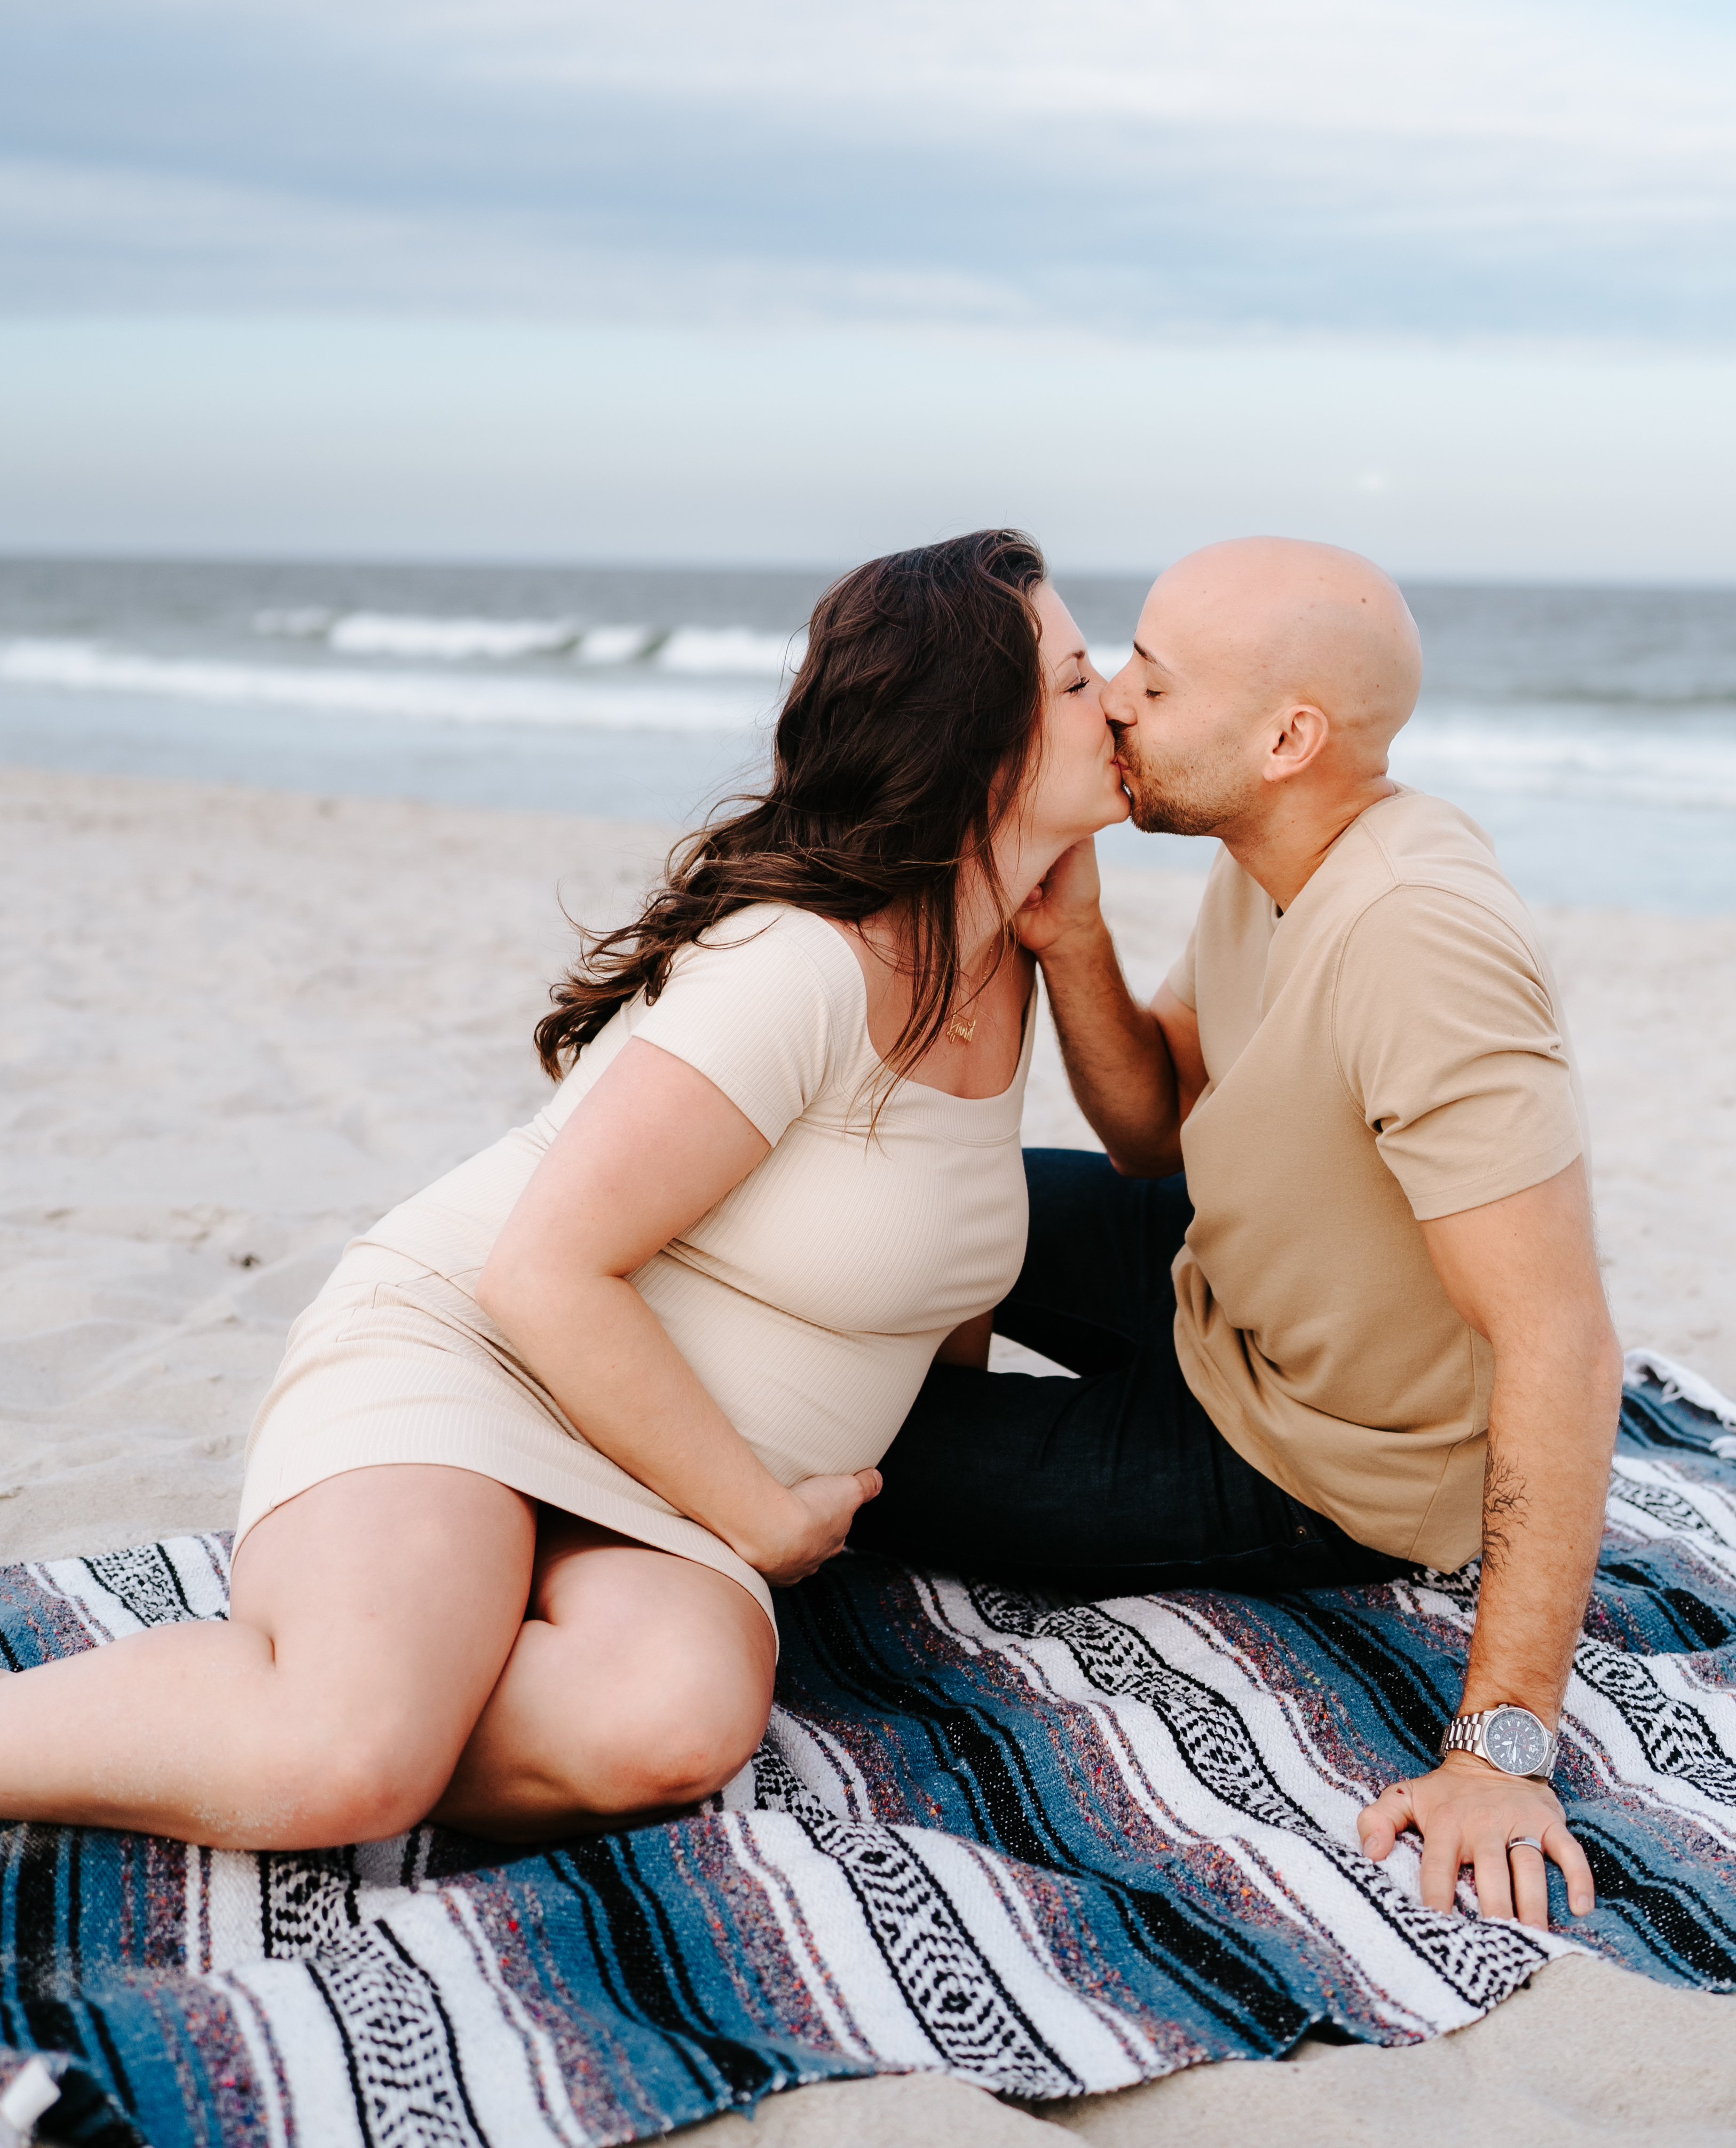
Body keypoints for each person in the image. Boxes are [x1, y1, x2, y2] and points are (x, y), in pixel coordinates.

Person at [0, 528, 1129, 1850]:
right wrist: (765, 1522)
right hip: (488, 1362)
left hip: (667, 1484)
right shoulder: (799, 962)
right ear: (972, 741)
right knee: (345, 1765)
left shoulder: (994, 959)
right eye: (1070, 680)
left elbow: (978, 1228)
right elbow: (537, 1271)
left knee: (669, 1728)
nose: (1112, 701)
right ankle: (324, 1702)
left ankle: (352, 1678)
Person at [849, 536, 1621, 1931]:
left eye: (1158, 674)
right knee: (917, 1203)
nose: (1117, 699)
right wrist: (1074, 940)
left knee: (850, 1453)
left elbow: (1559, 1340)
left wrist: (1503, 1749)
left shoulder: (1417, 937)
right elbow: (1153, 1133)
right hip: (1216, 1281)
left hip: (1317, 1457)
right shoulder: (1272, 847)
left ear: (1287, 736)